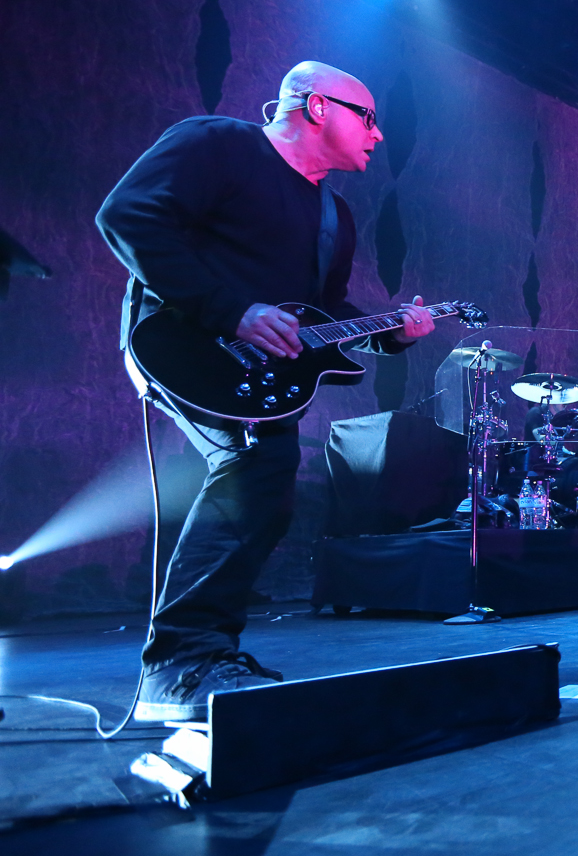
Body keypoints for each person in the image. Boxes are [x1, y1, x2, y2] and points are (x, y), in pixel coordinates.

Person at [97, 61, 436, 722]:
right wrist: (232, 312)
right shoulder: (218, 142)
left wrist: (392, 333)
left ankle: (202, 656)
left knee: (268, 486)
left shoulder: (333, 215)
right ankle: (180, 664)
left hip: (256, 372)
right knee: (256, 466)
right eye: (368, 118)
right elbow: (129, 215)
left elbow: (323, 313)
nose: (378, 135)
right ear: (317, 106)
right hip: (183, 342)